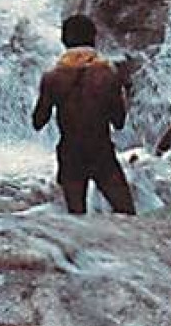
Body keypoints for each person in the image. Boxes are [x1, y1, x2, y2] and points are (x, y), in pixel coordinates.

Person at [32, 13, 136, 216]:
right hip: (101, 153)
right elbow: (119, 122)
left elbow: (38, 122)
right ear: (94, 39)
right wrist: (126, 94)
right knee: (127, 213)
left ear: (64, 40)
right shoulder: (109, 74)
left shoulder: (52, 77)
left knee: (76, 219)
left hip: (70, 155)